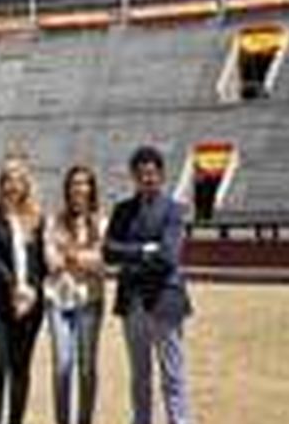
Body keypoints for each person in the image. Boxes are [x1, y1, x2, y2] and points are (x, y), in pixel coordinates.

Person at [103, 146, 193, 424]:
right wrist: (145, 251)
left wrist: (129, 253)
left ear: (162, 175)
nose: (148, 179)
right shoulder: (122, 210)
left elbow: (168, 257)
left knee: (172, 372)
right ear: (134, 176)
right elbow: (108, 252)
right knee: (139, 374)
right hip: (133, 303)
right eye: (142, 174)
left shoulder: (174, 210)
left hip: (165, 300)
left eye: (152, 174)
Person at [0, 155, 47, 424]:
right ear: (1, 184)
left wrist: (32, 291)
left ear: (26, 185)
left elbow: (42, 260)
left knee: (21, 368)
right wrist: (15, 286)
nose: (13, 185)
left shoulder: (37, 218)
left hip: (31, 304)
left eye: (19, 180)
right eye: (8, 179)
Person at [44, 165, 107, 424]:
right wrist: (83, 255)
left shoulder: (101, 221)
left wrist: (69, 253)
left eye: (84, 183)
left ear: (92, 189)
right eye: (74, 184)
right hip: (58, 300)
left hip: (89, 300)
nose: (79, 189)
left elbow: (102, 262)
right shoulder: (53, 220)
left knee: (87, 367)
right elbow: (51, 262)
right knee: (62, 366)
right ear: (67, 189)